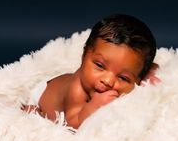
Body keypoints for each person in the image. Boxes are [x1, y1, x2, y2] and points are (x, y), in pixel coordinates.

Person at [22, 14, 159, 129]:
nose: (108, 80)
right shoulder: (78, 89)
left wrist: (150, 74)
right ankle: (37, 113)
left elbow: (150, 67)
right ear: (84, 55)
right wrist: (93, 106)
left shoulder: (131, 78)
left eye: (123, 78)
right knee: (38, 121)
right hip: (46, 98)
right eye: (100, 65)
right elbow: (71, 124)